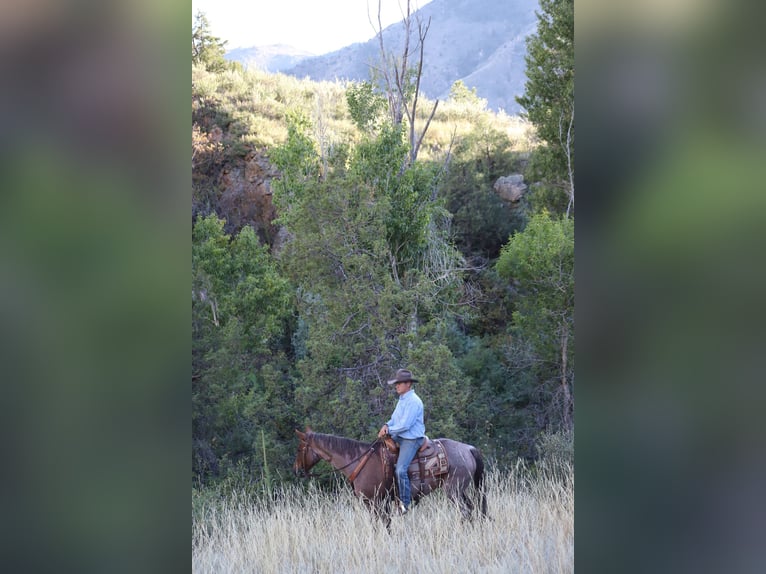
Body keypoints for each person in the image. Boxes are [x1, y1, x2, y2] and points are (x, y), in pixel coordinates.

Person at [377, 368, 425, 515]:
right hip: (401, 435)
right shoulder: (402, 399)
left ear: (408, 384)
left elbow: (405, 425)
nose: (396, 386)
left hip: (411, 438)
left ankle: (404, 504)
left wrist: (389, 431)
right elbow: (394, 419)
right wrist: (386, 425)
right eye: (396, 383)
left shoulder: (413, 401)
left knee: (400, 469)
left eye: (399, 383)